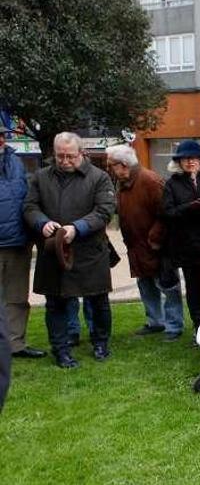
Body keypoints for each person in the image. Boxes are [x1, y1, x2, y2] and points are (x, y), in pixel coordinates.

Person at [23, 132, 116, 368]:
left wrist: (77, 228)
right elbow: (29, 206)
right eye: (60, 156)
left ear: (81, 153)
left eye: (70, 156)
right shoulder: (40, 177)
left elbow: (105, 210)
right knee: (56, 303)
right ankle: (61, 349)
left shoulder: (99, 177)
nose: (64, 161)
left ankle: (101, 342)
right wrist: (42, 223)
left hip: (90, 251)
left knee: (98, 301)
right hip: (54, 251)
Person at [106, 145, 185, 341]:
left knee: (167, 284)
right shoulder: (124, 183)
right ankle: (155, 321)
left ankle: (174, 326)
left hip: (156, 246)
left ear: (123, 165)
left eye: (111, 165)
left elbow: (166, 213)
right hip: (138, 246)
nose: (109, 169)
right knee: (146, 284)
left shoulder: (149, 180)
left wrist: (154, 239)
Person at [162, 140, 200, 337]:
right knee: (193, 287)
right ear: (179, 162)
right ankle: (199, 326)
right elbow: (167, 213)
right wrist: (190, 206)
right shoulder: (172, 183)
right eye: (185, 159)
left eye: (193, 158)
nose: (190, 162)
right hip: (186, 243)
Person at [0, 126, 45, 359]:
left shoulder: (16, 162)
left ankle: (15, 344)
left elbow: (26, 199)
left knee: (17, 298)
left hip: (18, 242)